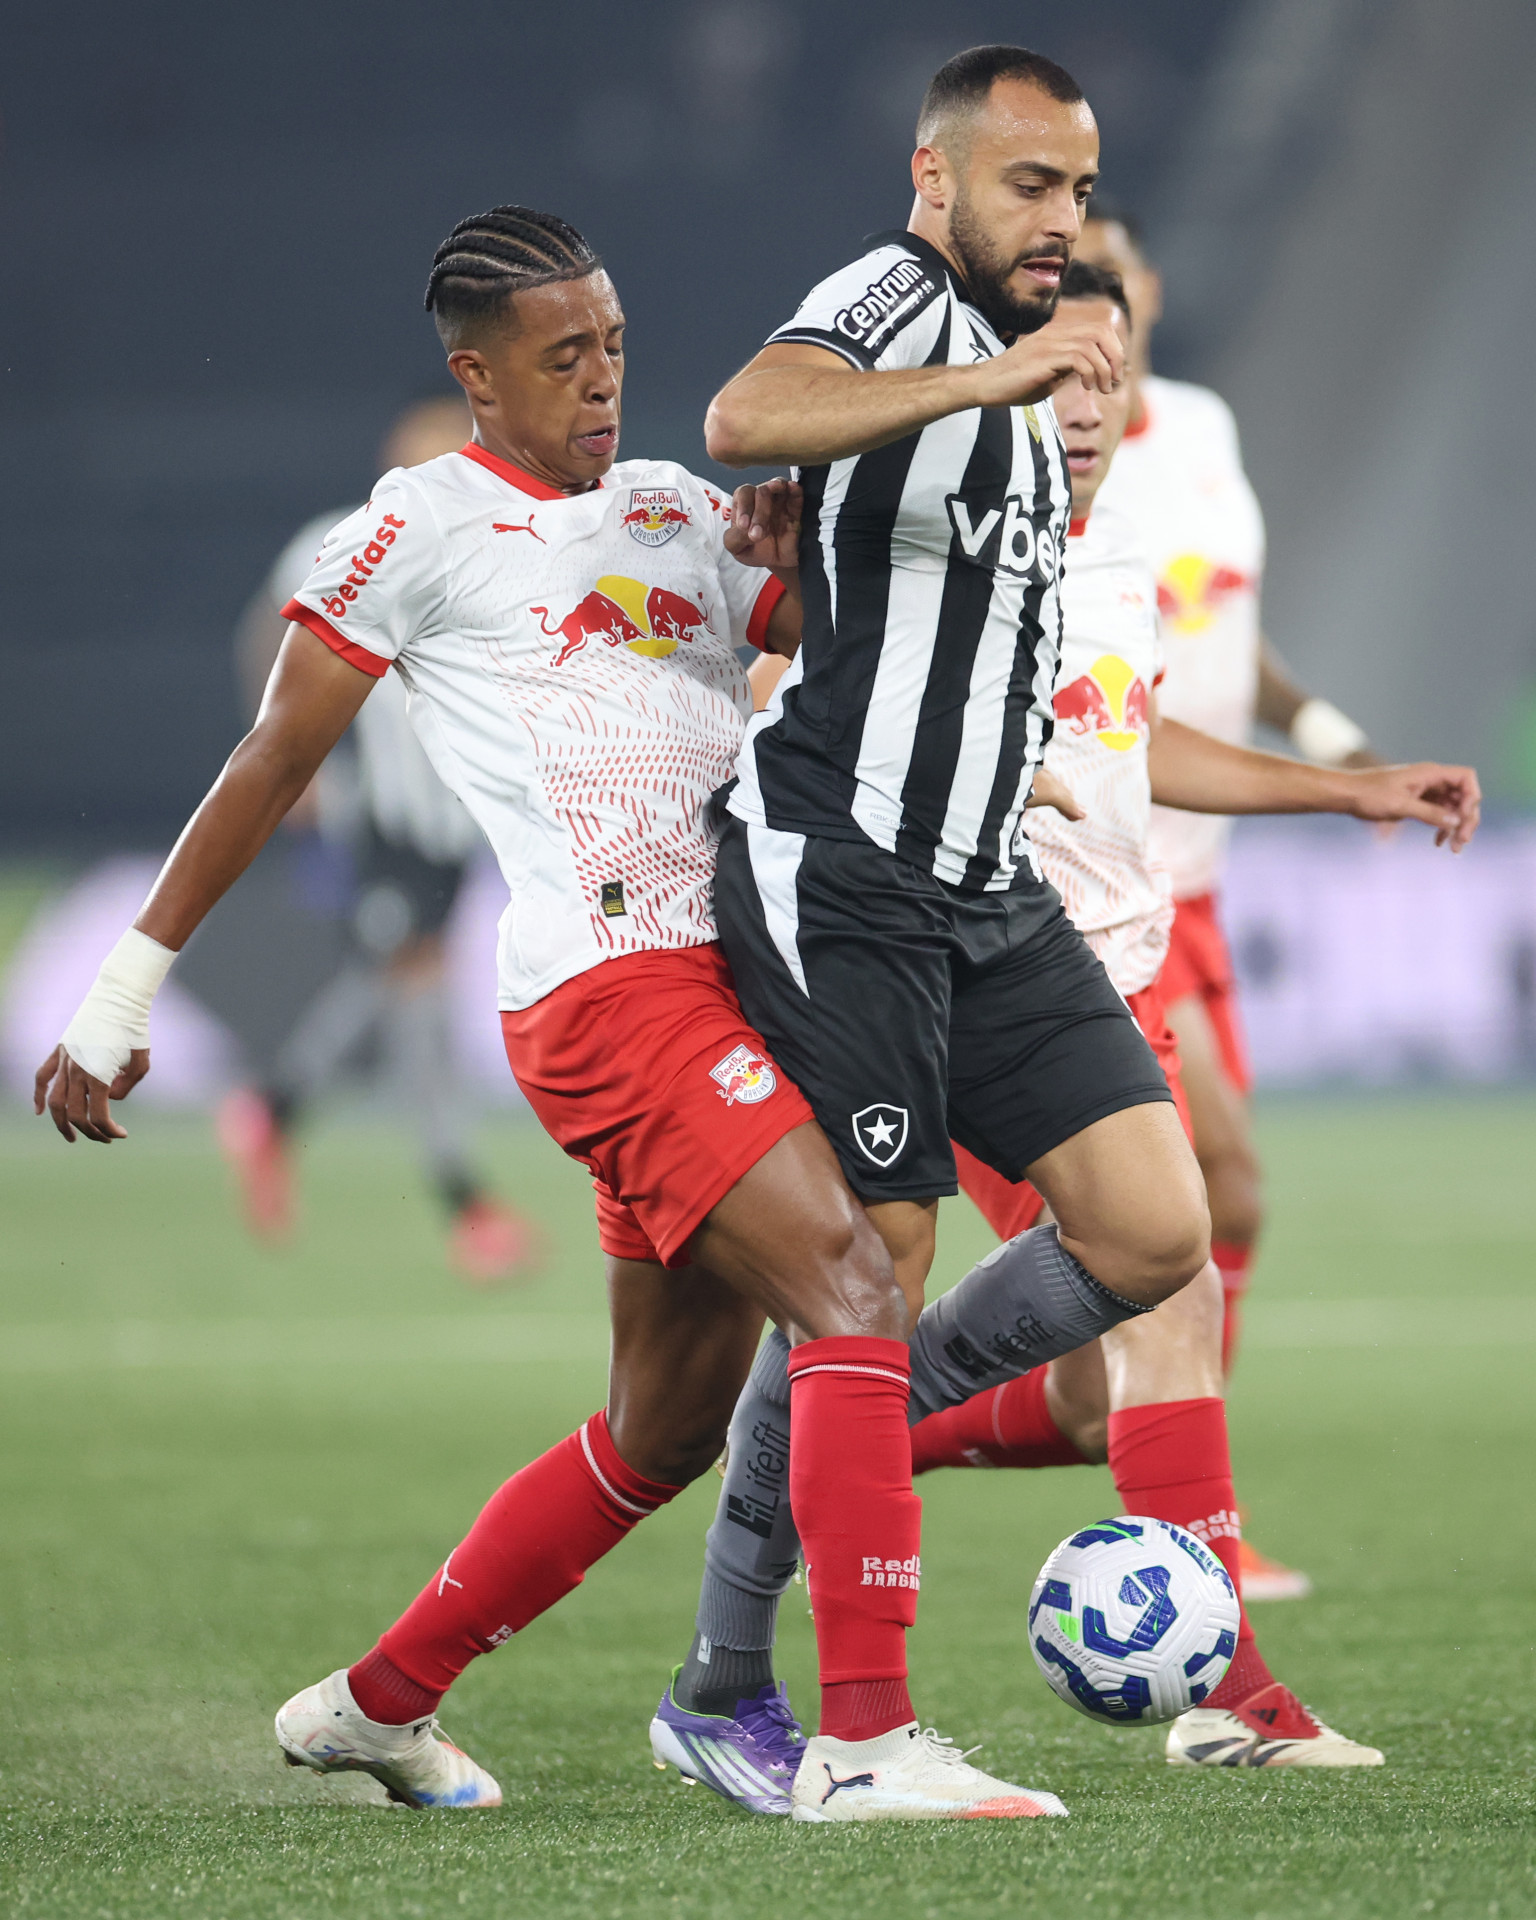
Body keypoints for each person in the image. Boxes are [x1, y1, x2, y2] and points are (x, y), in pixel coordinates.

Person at [33, 203, 1141, 1823]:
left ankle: (375, 1703)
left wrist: (800, 575)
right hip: (610, 999)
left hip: (748, 976)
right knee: (849, 1288)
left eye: (614, 345)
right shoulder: (413, 530)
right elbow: (274, 759)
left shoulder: (675, 508)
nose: (603, 381)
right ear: (478, 377)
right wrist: (125, 989)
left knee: (662, 1428)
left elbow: (824, 645)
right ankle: (865, 1738)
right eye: (563, 359)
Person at [653, 260, 1476, 1804]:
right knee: (1147, 1313)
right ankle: (1229, 1692)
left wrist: (1344, 782)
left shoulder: (1102, 561)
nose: (1081, 413)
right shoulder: (918, 527)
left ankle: (842, 1457)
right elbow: (801, 701)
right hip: (940, 963)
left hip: (1076, 974)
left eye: (1105, 388)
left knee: (1134, 1298)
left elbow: (1131, 737)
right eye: (1061, 381)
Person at [1076, 206, 1386, 1599]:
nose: (1109, 321)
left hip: (1197, 880)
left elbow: (1219, 635)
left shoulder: (1199, 431)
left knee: (1217, 1217)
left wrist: (1324, 740)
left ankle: (1197, 1517)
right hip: (1095, 889)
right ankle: (1194, 1549)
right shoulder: (1044, 476)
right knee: (1190, 1217)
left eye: (1125, 290)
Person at [220, 394, 538, 1282]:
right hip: (386, 816)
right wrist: (292, 763)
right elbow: (266, 637)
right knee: (414, 998)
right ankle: (465, 1206)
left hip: (456, 816)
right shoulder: (343, 537)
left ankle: (271, 1112)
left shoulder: (494, 549)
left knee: (391, 983)